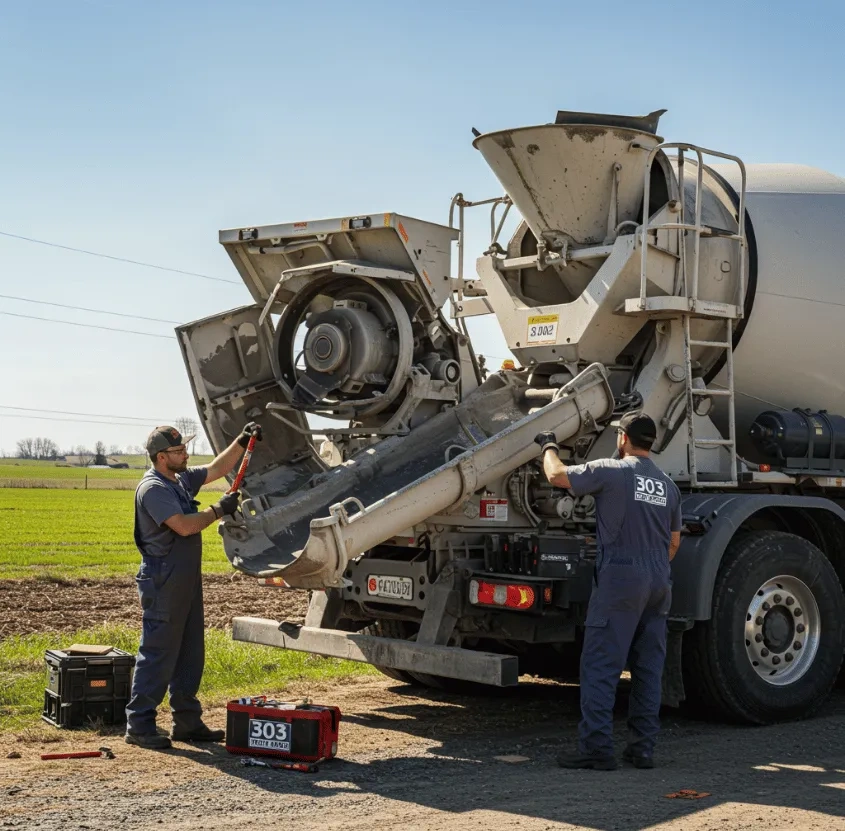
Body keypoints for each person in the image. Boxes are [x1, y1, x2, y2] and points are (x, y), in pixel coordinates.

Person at [534, 412, 681, 770]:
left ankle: (597, 749)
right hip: (658, 579)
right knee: (648, 667)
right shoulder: (668, 485)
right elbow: (674, 543)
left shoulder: (612, 470)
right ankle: (642, 749)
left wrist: (548, 445)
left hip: (621, 578)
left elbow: (556, 475)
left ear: (622, 437)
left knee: (602, 664)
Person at [125, 422, 262, 750]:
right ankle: (140, 724)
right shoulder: (154, 488)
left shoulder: (179, 479)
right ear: (161, 457)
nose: (185, 453)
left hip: (185, 578)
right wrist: (218, 510)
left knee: (189, 651)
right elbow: (184, 527)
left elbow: (216, 468)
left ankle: (186, 721)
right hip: (163, 580)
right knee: (158, 652)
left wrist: (242, 441)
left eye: (184, 448)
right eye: (178, 450)